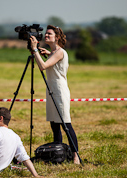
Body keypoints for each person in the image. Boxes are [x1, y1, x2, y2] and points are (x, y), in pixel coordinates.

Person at [30, 25, 80, 164]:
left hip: (59, 91)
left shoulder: (60, 52)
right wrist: (46, 53)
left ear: (56, 37)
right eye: (46, 34)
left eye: (49, 34)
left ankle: (76, 156)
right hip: (51, 90)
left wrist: (35, 50)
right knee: (54, 124)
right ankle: (58, 153)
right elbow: (51, 62)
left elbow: (43, 66)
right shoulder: (53, 53)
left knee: (65, 124)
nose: (46, 36)